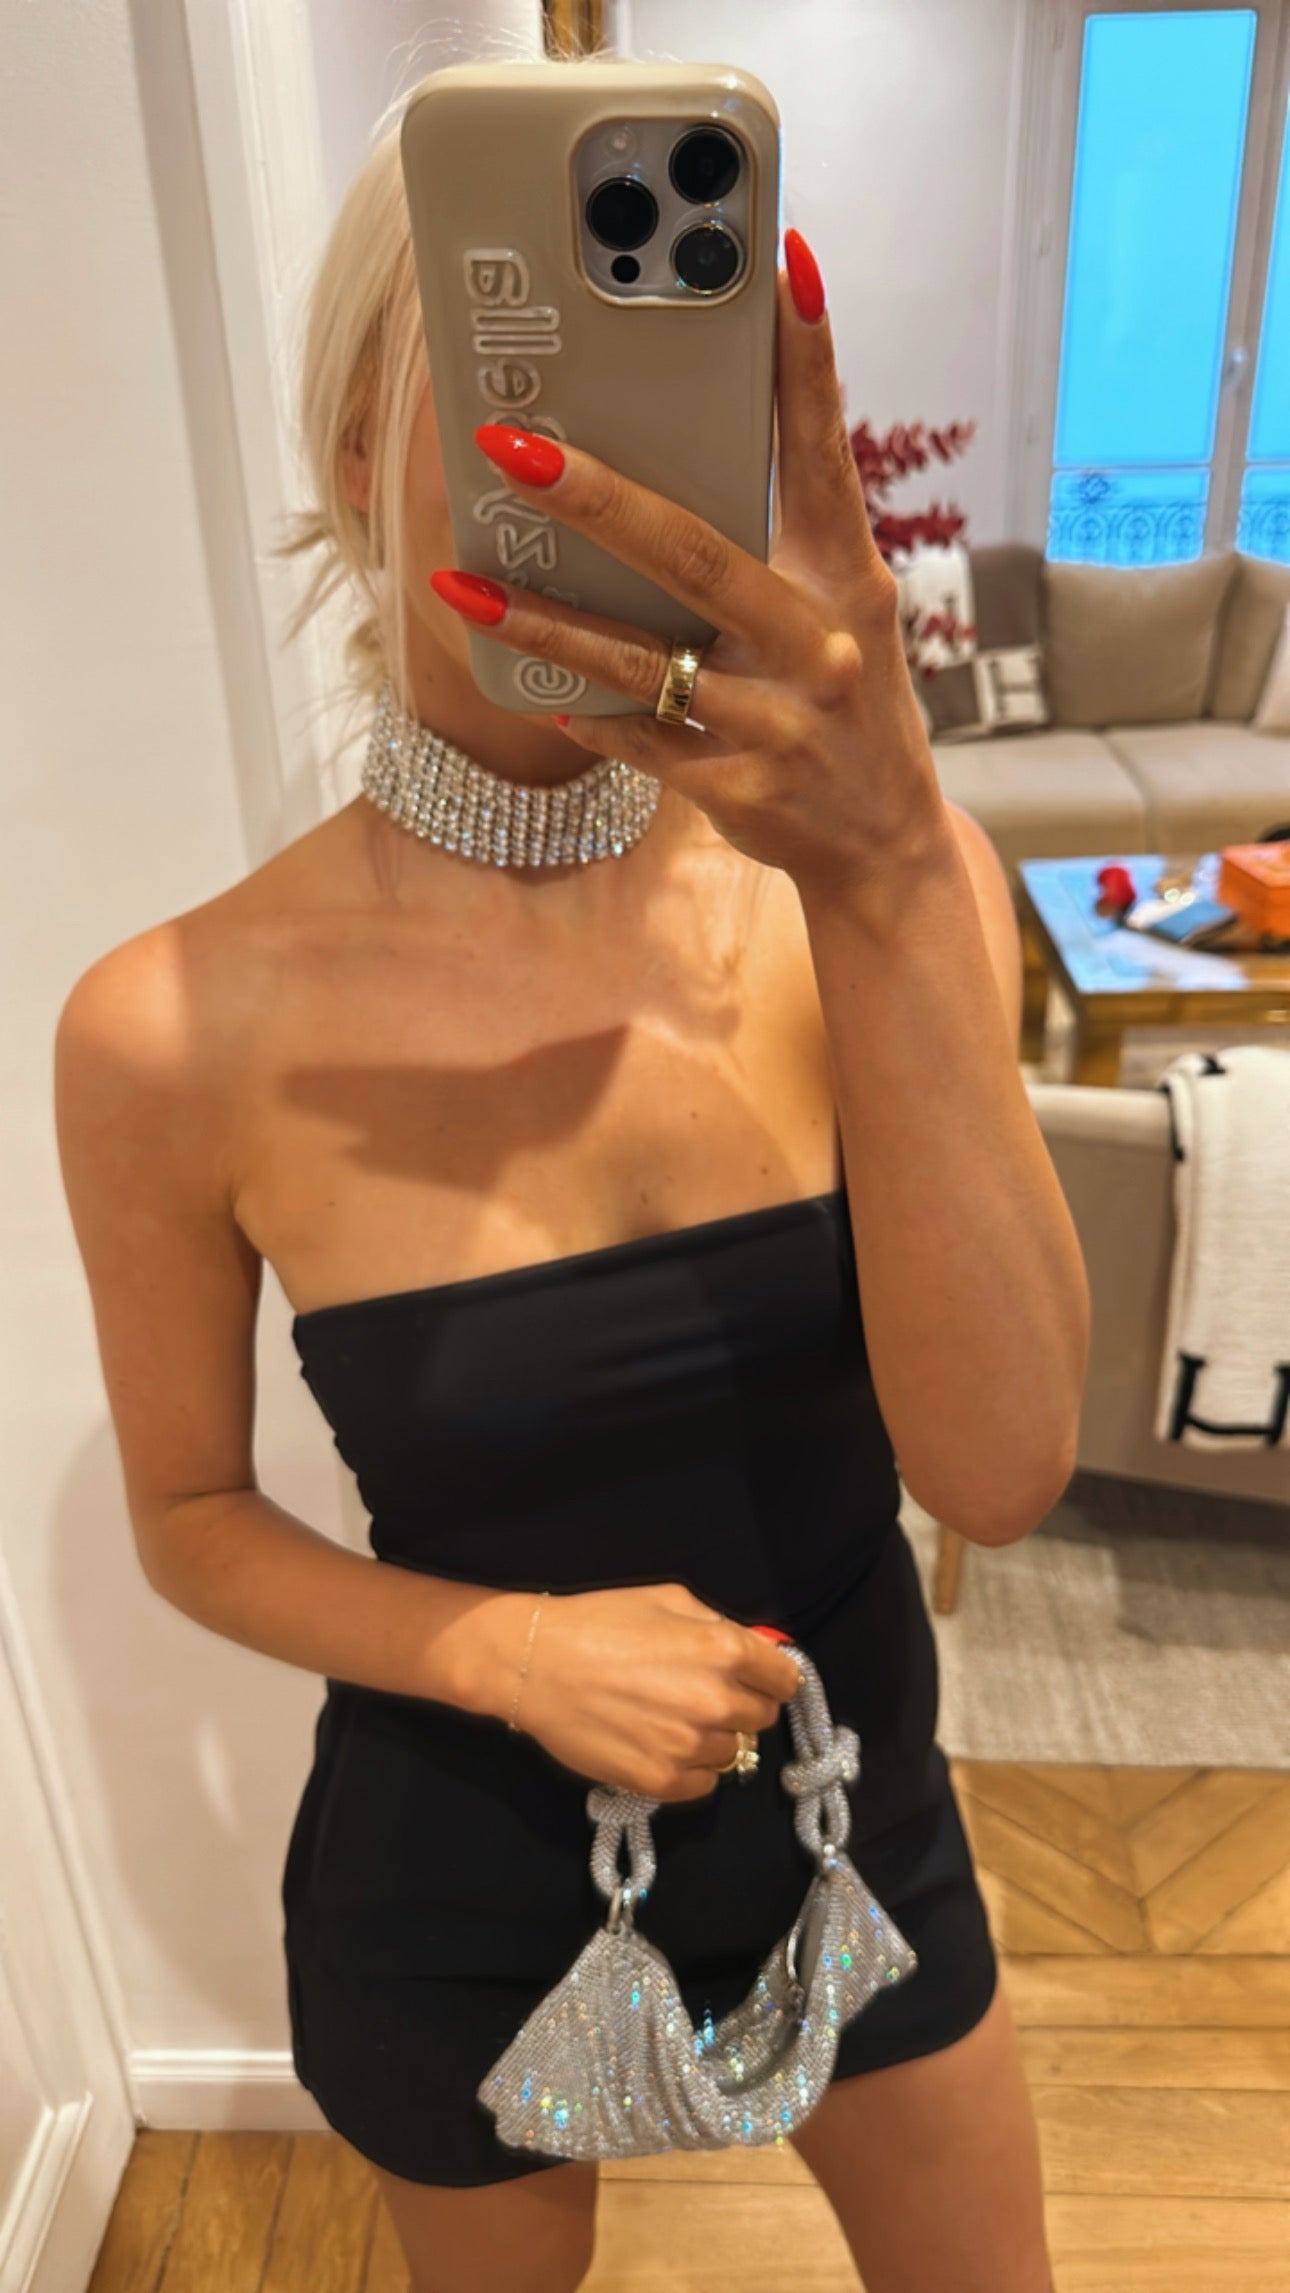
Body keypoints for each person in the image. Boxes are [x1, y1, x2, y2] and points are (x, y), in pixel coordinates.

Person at [54, 103, 1088, 2293]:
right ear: (359, 446)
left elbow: (1000, 1470)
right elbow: (189, 1516)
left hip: (853, 1812)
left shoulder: (870, 896)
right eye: (519, 390)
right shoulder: (169, 1027)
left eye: (665, 403)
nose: (592, 470)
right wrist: (509, 1644)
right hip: (461, 1860)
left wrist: (893, 865)